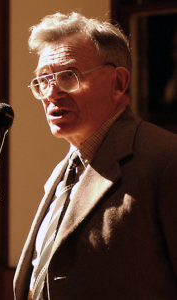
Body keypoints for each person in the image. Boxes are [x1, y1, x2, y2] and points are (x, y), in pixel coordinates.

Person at [13, 12, 177, 300]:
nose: (52, 93)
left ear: (118, 83)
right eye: (43, 80)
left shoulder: (165, 160)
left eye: (68, 76)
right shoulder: (63, 173)